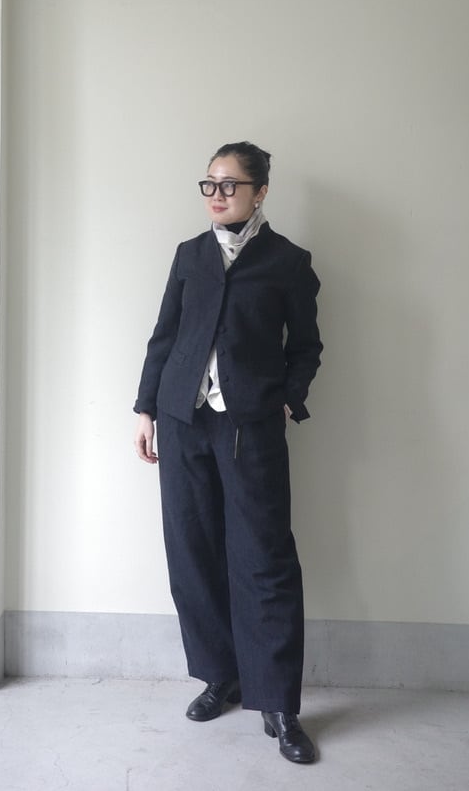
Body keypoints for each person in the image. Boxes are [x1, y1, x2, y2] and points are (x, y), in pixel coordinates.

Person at [133, 141, 322, 765]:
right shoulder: (189, 255)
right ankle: (222, 676)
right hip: (181, 421)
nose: (217, 195)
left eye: (231, 185)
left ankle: (279, 704)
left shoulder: (288, 262)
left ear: (260, 191)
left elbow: (306, 347)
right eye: (210, 184)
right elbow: (164, 335)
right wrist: (145, 409)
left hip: (249, 427)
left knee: (264, 560)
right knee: (193, 552)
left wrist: (285, 401)